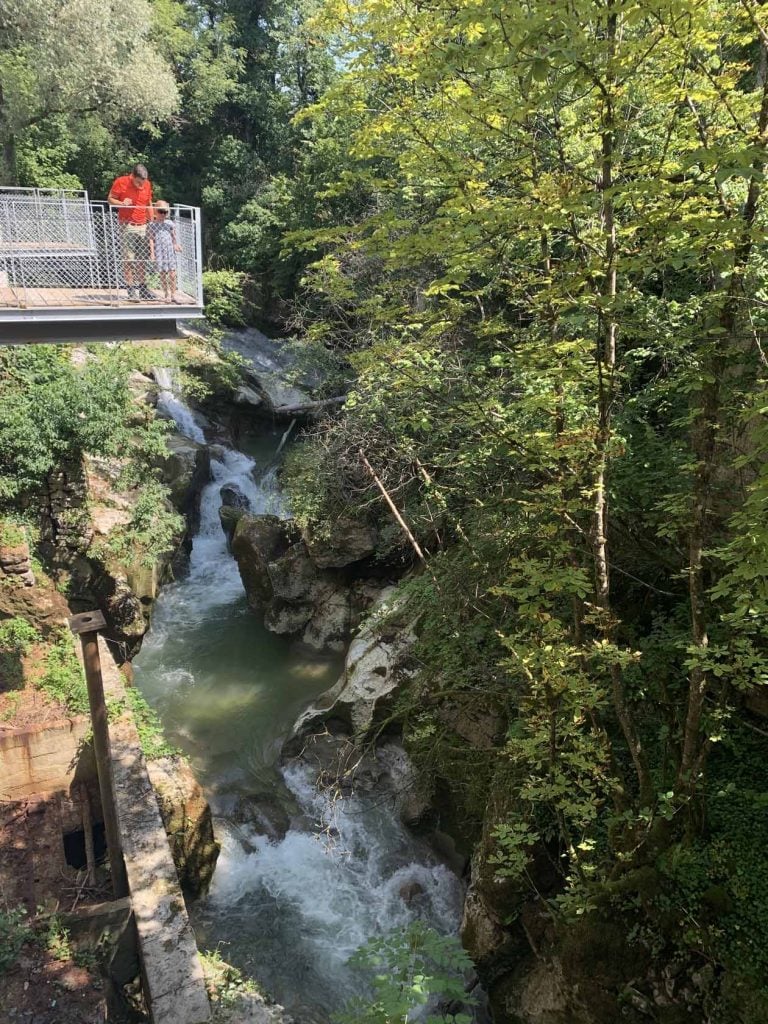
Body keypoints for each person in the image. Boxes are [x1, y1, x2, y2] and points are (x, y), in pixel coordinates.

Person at [107, 163, 154, 302]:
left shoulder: (147, 184)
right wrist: (121, 203)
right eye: (139, 182)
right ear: (132, 176)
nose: (141, 185)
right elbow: (110, 199)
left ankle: (143, 288)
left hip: (143, 225)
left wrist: (151, 222)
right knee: (129, 258)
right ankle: (130, 289)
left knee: (142, 258)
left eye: (143, 183)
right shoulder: (121, 182)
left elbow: (149, 203)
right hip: (128, 225)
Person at [147, 201, 183, 303]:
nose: (163, 214)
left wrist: (176, 245)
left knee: (172, 273)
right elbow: (151, 239)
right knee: (162, 273)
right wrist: (152, 253)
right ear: (156, 211)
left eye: (165, 212)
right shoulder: (152, 224)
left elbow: (173, 236)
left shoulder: (170, 223)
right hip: (159, 250)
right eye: (160, 211)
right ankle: (166, 294)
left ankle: (173, 294)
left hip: (169, 250)